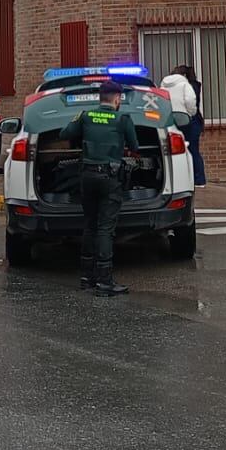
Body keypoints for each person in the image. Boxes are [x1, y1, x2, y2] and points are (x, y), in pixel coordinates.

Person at [61, 77, 139, 295]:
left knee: (90, 225)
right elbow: (135, 147)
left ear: (99, 98)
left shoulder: (85, 116)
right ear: (116, 98)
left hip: (86, 176)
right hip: (109, 178)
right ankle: (105, 281)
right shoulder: (123, 118)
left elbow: (64, 134)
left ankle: (87, 277)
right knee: (105, 228)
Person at [162, 64, 205, 186]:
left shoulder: (164, 84)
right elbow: (191, 102)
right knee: (193, 150)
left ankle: (177, 180)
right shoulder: (188, 85)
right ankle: (199, 180)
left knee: (173, 151)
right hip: (189, 121)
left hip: (170, 120)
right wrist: (190, 115)